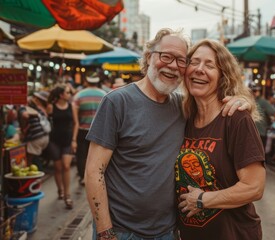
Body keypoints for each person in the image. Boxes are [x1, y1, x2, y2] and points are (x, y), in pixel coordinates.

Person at [84, 28, 254, 240]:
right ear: (148, 58)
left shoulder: (182, 108)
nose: (173, 65)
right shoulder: (116, 102)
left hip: (168, 232)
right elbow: (94, 172)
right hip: (121, 232)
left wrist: (243, 102)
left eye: (181, 61)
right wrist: (105, 232)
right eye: (166, 56)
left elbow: (213, 107)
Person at [175, 39, 265, 240]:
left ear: (222, 76)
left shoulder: (235, 118)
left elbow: (254, 187)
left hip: (234, 234)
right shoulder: (183, 118)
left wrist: (202, 200)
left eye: (209, 65)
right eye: (194, 62)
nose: (199, 69)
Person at [72, 73, 106, 185]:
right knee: (96, 155)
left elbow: (75, 118)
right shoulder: (104, 95)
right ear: (97, 82)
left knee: (81, 155)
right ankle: (96, 176)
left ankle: (83, 177)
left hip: (82, 129)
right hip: (99, 130)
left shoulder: (79, 95)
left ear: (86, 82)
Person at [46, 84, 77, 209]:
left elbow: (76, 123)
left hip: (68, 140)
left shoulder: (72, 106)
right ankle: (60, 190)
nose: (70, 95)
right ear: (61, 95)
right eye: (67, 93)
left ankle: (67, 195)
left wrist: (74, 140)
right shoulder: (51, 107)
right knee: (58, 168)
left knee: (66, 165)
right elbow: (47, 123)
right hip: (54, 140)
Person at [18, 90, 50, 169]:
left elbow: (25, 115)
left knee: (31, 159)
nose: (32, 98)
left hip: (37, 138)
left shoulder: (26, 108)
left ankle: (38, 177)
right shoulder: (38, 109)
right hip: (44, 136)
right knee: (35, 158)